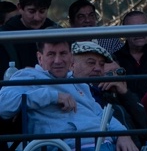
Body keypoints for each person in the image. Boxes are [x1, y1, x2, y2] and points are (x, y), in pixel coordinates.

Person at [0, 37, 136, 151]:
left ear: (71, 57)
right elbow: (3, 105)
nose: (58, 60)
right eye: (51, 54)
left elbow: (100, 113)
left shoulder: (79, 83)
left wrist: (122, 134)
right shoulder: (28, 76)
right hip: (68, 146)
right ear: (40, 58)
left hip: (105, 144)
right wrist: (52, 96)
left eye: (63, 53)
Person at [1, 0, 59, 68]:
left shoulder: (56, 32)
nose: (37, 18)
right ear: (20, 8)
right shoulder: (5, 35)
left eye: (42, 11)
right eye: (32, 11)